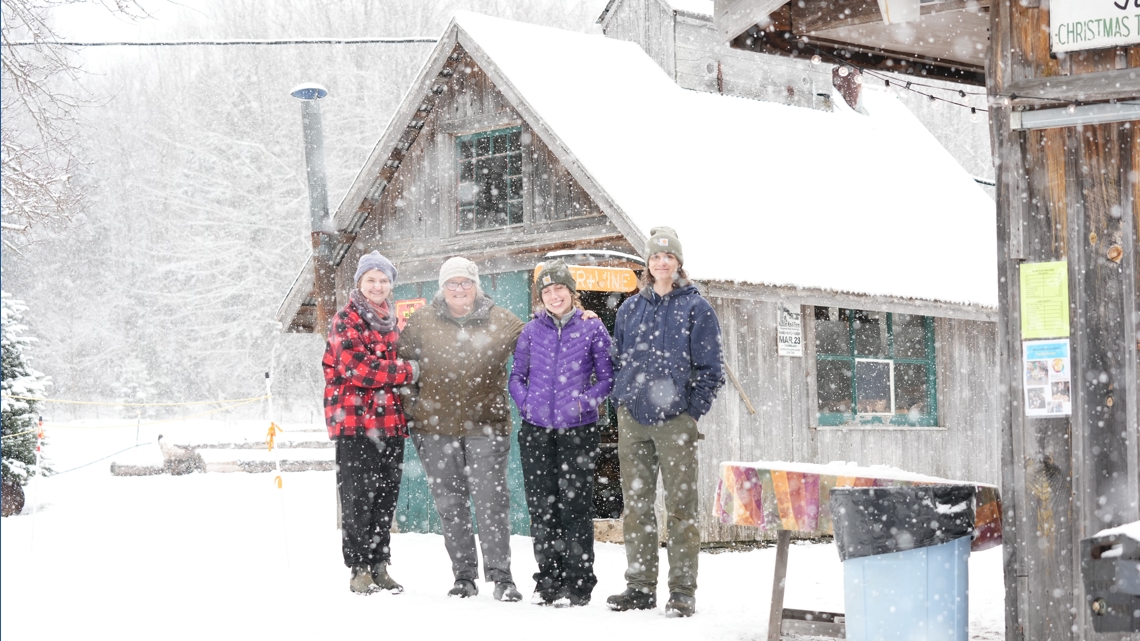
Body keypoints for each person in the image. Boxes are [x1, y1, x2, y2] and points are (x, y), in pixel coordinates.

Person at [606, 226, 725, 618]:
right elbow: (618, 358)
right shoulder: (629, 309)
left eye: (668, 257)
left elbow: (711, 368)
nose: (661, 262)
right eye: (655, 257)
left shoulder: (696, 308)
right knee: (637, 507)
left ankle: (681, 591)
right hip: (633, 420)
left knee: (680, 508)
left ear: (678, 263)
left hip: (676, 422)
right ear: (647, 264)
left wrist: (692, 411)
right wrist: (623, 400)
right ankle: (639, 587)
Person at [396, 256, 526, 602]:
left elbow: (537, 340)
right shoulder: (422, 321)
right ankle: (464, 577)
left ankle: (502, 578)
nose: (459, 289)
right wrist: (414, 408)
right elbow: (402, 365)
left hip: (486, 427)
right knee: (451, 505)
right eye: (452, 283)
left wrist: (582, 311)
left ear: (476, 285)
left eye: (465, 282)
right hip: (435, 429)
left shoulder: (501, 321)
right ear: (442, 287)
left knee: (491, 503)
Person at [509, 260, 614, 607]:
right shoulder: (530, 331)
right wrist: (527, 406)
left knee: (575, 507)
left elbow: (606, 378)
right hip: (536, 430)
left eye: (561, 289)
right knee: (542, 507)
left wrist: (584, 404)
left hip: (577, 431)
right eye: (548, 291)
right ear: (541, 297)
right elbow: (516, 377)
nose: (555, 296)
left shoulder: (591, 328)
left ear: (572, 293)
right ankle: (548, 581)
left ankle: (578, 583)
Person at [322, 250, 420, 595]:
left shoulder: (393, 321)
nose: (377, 286)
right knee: (358, 496)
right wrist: (405, 372)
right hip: (355, 423)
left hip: (391, 422)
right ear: (360, 283)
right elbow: (357, 369)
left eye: (383, 280)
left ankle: (380, 564)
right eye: (371, 279)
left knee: (385, 498)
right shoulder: (345, 319)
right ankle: (359, 567)